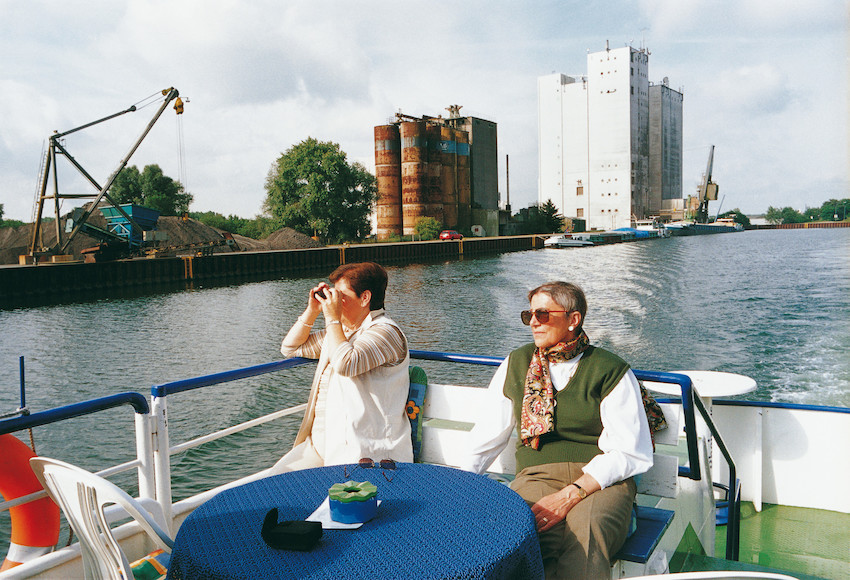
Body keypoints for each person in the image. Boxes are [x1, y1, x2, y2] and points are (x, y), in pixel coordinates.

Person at [461, 282, 653, 580]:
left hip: (602, 481)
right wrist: (457, 487)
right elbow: (486, 436)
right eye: (529, 315)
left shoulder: (609, 370)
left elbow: (629, 451)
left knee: (586, 534)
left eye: (542, 314)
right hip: (537, 475)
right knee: (529, 535)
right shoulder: (516, 363)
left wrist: (572, 493)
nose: (533, 322)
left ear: (573, 319)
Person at [269, 261, 412, 473]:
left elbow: (346, 363)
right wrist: (312, 310)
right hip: (322, 444)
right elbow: (290, 347)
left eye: (340, 296)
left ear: (365, 298)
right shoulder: (342, 333)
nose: (334, 302)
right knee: (274, 483)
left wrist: (332, 319)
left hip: (366, 453)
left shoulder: (386, 332)